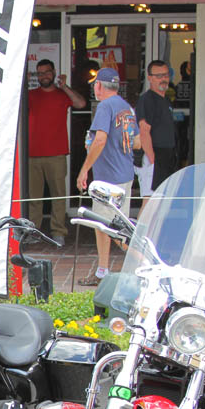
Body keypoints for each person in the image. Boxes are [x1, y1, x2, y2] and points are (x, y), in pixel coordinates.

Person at [76, 68, 139, 287]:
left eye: (95, 84)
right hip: (125, 173)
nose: (94, 88)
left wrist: (84, 169)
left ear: (100, 86)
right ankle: (103, 270)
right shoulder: (127, 108)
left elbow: (100, 140)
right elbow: (137, 142)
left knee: (113, 228)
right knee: (103, 225)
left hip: (109, 178)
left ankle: (142, 261)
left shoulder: (105, 106)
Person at [27, 59, 87, 248]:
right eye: (40, 73)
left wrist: (65, 86)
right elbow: (11, 103)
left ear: (53, 72)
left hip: (57, 154)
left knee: (58, 196)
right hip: (32, 154)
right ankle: (33, 231)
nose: (43, 76)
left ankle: (58, 232)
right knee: (34, 198)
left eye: (46, 72)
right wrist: (22, 82)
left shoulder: (62, 94)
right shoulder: (30, 95)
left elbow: (81, 103)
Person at [135, 60, 178, 194]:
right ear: (149, 78)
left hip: (167, 156)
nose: (163, 79)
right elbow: (144, 130)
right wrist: (152, 160)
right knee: (150, 201)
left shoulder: (166, 100)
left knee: (162, 200)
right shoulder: (147, 99)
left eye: (166, 75)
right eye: (158, 76)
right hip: (153, 156)